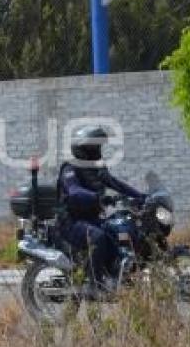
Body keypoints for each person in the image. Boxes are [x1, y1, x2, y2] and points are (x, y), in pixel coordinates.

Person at [57, 126, 146, 296]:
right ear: (83, 148)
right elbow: (74, 190)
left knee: (117, 231)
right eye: (94, 147)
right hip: (71, 222)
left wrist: (141, 196)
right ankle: (94, 284)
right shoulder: (70, 168)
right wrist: (97, 198)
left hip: (92, 219)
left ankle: (114, 275)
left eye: (99, 146)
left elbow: (116, 184)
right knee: (98, 237)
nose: (97, 150)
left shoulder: (97, 168)